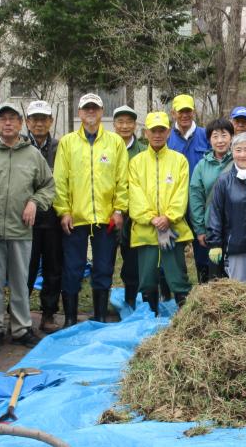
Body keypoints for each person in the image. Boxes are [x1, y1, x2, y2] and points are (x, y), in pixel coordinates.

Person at [0, 103, 55, 352]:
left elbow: (48, 186)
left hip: (21, 230)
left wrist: (35, 202)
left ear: (21, 123)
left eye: (13, 118)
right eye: (2, 119)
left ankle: (21, 329)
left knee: (20, 282)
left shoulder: (32, 154)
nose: (8, 123)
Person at [53, 93, 128, 327]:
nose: (90, 113)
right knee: (73, 267)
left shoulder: (115, 142)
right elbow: (60, 180)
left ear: (102, 111)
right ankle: (70, 318)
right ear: (80, 113)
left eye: (95, 109)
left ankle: (100, 316)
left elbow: (122, 180)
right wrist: (63, 210)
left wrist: (119, 210)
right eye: (86, 109)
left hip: (106, 218)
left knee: (104, 267)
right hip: (76, 218)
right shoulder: (68, 142)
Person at [129, 112, 193, 315]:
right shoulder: (136, 162)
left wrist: (169, 217)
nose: (157, 135)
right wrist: (151, 217)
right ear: (145, 132)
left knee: (177, 277)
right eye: (153, 131)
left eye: (161, 130)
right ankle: (150, 321)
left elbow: (181, 192)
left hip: (171, 229)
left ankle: (185, 320)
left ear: (168, 132)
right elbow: (135, 193)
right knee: (147, 278)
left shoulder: (179, 161)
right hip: (146, 231)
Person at [206, 133, 246, 289]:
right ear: (232, 152)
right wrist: (215, 242)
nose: (242, 155)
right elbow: (216, 213)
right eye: (238, 150)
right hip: (235, 249)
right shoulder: (224, 180)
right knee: (238, 295)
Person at [167, 93, 212, 291]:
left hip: (199, 204)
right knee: (173, 253)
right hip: (174, 204)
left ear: (194, 112)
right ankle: (176, 295)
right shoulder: (167, 138)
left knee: (203, 251)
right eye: (180, 111)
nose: (184, 115)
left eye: (188, 111)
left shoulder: (206, 136)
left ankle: (205, 293)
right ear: (173, 113)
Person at [25, 100, 62, 334]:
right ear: (27, 122)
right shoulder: (18, 146)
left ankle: (48, 314)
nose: (39, 123)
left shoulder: (61, 147)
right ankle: (19, 316)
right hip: (25, 220)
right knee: (24, 270)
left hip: (54, 218)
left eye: (43, 119)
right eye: (34, 119)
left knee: (53, 268)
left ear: (51, 121)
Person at [189, 118, 234, 282]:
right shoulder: (202, 166)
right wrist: (200, 229)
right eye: (215, 136)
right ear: (209, 140)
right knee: (211, 272)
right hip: (211, 229)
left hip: (236, 229)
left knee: (234, 272)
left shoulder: (239, 160)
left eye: (224, 135)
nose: (220, 140)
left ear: (231, 137)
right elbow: (196, 198)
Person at [112, 105, 145, 308]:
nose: (125, 126)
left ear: (135, 125)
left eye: (129, 122)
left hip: (134, 215)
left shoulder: (142, 150)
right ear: (114, 124)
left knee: (132, 259)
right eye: (120, 122)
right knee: (105, 259)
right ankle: (99, 306)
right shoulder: (107, 145)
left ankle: (131, 298)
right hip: (109, 213)